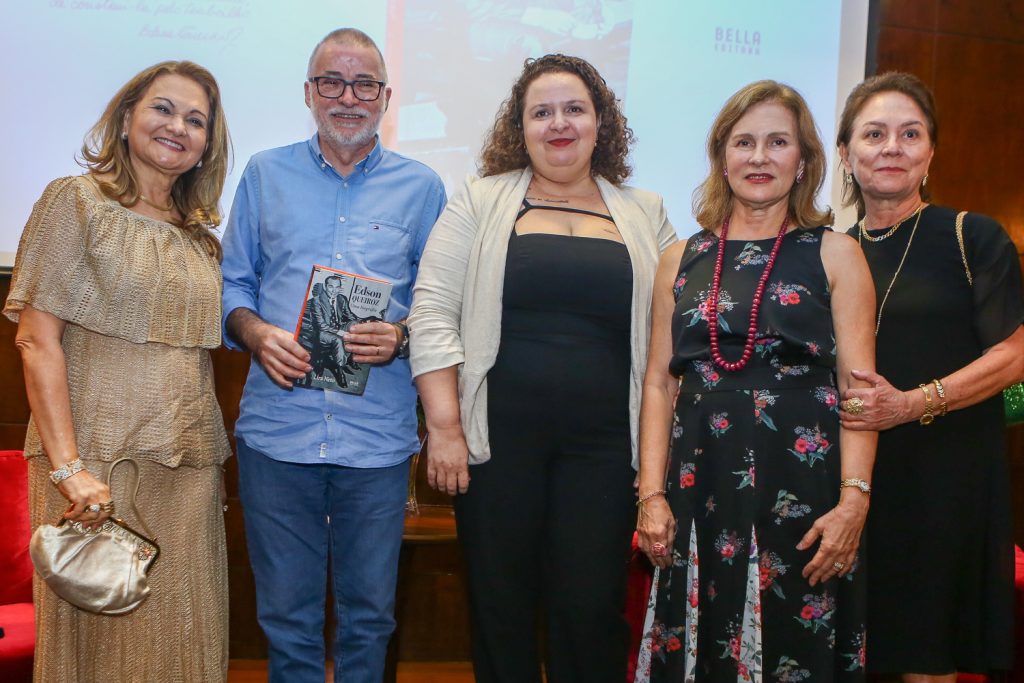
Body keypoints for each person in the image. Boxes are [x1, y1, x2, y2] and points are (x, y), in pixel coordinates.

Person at [410, 54, 676, 683]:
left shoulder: (646, 212)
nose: (559, 123)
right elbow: (432, 312)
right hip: (497, 443)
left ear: (600, 122)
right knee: (501, 606)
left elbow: (676, 333)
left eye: (574, 109)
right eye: (542, 112)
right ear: (520, 127)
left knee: (588, 607)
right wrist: (445, 427)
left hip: (607, 449)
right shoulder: (479, 200)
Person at [220, 28, 446, 683]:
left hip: (374, 443)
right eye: (332, 82)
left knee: (369, 618)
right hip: (276, 438)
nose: (348, 97)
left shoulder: (423, 187)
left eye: (363, 84)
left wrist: (400, 335)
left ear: (385, 96)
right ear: (309, 92)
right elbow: (233, 285)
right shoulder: (265, 173)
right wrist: (257, 334)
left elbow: (441, 303)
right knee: (285, 620)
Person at [635, 80, 878, 682]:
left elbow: (861, 393)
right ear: (723, 156)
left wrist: (853, 500)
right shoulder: (680, 257)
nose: (760, 157)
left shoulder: (836, 253)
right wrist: (650, 495)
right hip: (699, 481)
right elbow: (659, 385)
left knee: (798, 640)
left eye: (777, 142)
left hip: (805, 485)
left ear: (803, 161)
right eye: (744, 142)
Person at [4, 60, 232, 682]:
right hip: (93, 470)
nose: (177, 127)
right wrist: (70, 469)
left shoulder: (201, 238)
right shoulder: (74, 201)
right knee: (98, 653)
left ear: (208, 143)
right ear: (127, 114)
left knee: (186, 641)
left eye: (196, 120)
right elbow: (36, 340)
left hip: (187, 466)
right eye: (162, 108)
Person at [835, 72, 1024, 682]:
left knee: (928, 651)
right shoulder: (830, 250)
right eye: (874, 133)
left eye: (909, 133)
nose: (892, 147)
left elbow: (1016, 353)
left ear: (930, 150)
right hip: (852, 479)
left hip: (947, 472)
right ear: (845, 152)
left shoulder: (973, 236)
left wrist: (914, 403)